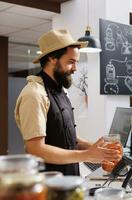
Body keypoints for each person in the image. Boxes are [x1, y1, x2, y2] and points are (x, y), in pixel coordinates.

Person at [15, 29, 121, 175]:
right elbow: (36, 149)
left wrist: (98, 150)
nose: (75, 69)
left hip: (69, 180)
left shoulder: (62, 91)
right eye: (71, 62)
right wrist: (88, 155)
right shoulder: (34, 94)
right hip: (49, 187)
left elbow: (69, 140)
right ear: (52, 58)